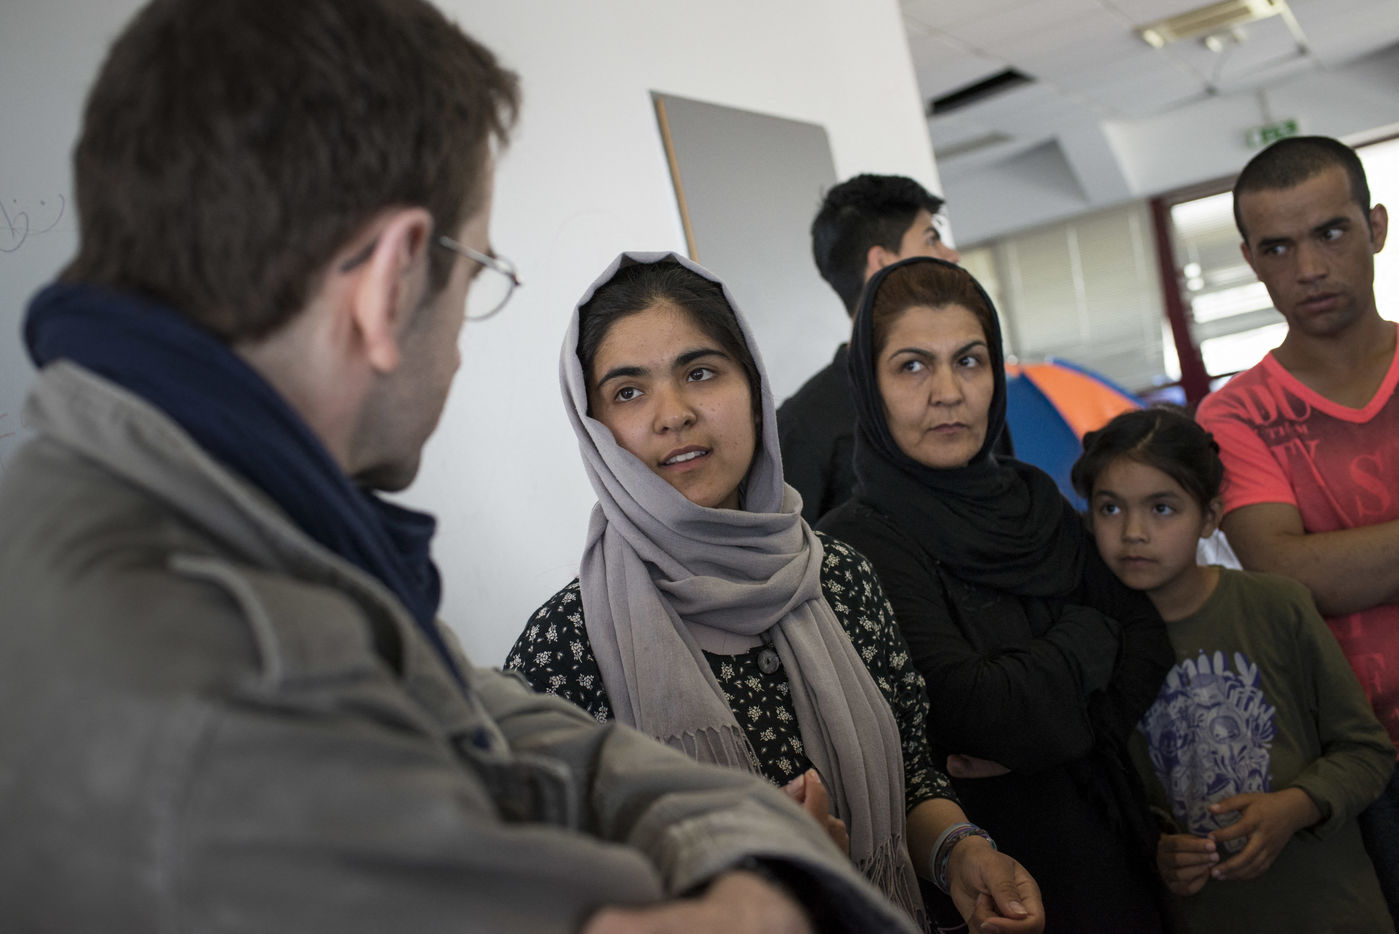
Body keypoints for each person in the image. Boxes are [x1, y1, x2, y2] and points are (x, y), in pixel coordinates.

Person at [0, 2, 934, 931]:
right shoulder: (218, 660)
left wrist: (750, 859)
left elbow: (525, 742)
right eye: (475, 275)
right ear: (389, 283)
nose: (453, 348)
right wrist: (771, 900)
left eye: (701, 373)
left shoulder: (272, 544)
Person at [507, 251, 1044, 934]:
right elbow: (546, 894)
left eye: (701, 373)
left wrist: (959, 853)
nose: (673, 414)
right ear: (594, 427)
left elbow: (911, 773)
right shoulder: (563, 647)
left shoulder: (839, 578)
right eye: (629, 392)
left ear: (754, 390)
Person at [818, 256, 1175, 933]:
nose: (948, 392)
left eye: (969, 361)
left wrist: (1050, 729)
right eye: (912, 366)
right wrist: (1090, 636)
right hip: (985, 882)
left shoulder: (1037, 502)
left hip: (1114, 848)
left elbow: (1146, 642)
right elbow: (975, 711)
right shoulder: (854, 545)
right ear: (869, 385)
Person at [1072, 406, 1395, 933]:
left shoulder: (1278, 606)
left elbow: (1366, 750)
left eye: (1162, 508)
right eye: (1110, 509)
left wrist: (1296, 806)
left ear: (1210, 517)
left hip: (1333, 911)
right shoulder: (1092, 643)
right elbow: (1109, 795)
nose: (1133, 532)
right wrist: (1158, 846)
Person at [1196, 134, 1399, 920]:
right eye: (1277, 247)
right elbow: (1287, 575)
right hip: (1361, 765)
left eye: (1330, 232)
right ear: (1250, 260)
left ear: (1374, 226)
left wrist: (1347, 559)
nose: (1308, 267)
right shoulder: (1234, 415)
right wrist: (1313, 564)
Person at [778, 174, 963, 524]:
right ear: (882, 262)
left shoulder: (967, 389)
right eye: (931, 239)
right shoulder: (804, 425)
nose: (951, 256)